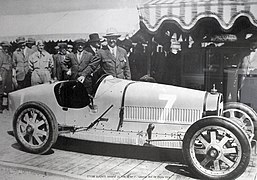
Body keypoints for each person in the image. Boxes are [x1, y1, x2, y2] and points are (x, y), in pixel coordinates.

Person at [0, 41, 13, 113]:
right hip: (3, 72)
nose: (6, 48)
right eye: (5, 47)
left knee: (9, 89)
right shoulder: (0, 54)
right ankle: (0, 107)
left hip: (9, 72)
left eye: (7, 47)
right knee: (1, 90)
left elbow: (11, 63)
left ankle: (9, 106)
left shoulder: (9, 54)